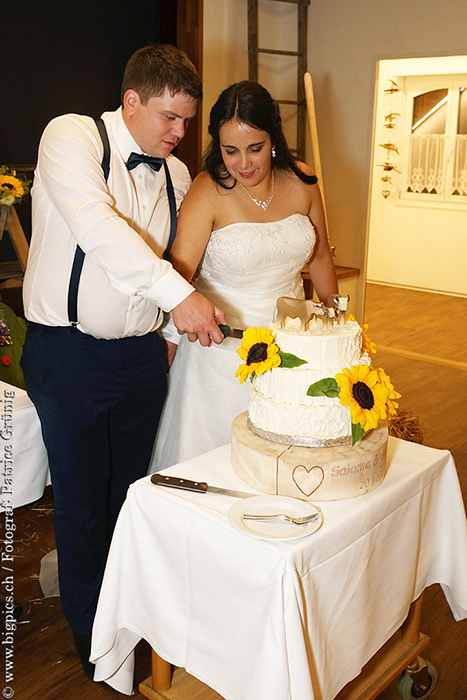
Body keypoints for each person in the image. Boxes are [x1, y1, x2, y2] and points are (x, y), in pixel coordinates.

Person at [20, 44, 226, 679]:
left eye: (187, 122)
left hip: (141, 359)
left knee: (129, 496)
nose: (180, 133)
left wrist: (171, 325)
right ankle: (95, 640)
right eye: (169, 117)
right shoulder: (71, 137)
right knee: (82, 503)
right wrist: (180, 297)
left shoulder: (178, 175)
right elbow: (100, 230)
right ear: (131, 101)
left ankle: (125, 610)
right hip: (69, 355)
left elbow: (184, 257)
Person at [150, 80, 339, 472]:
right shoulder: (207, 191)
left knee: (288, 463)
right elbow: (179, 277)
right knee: (221, 467)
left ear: (273, 138)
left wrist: (338, 322)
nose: (244, 163)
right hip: (220, 356)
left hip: (295, 345)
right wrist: (168, 339)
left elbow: (319, 256)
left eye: (255, 148)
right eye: (230, 150)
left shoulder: (302, 180)